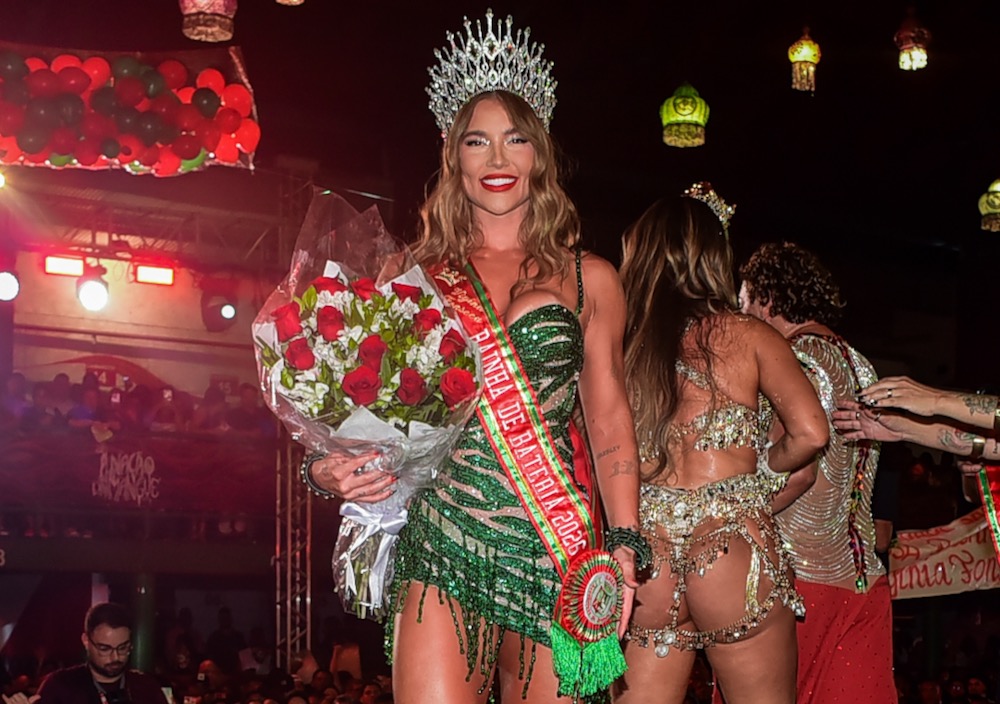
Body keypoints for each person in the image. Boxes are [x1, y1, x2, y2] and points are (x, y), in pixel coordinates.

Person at [300, 10, 641, 703]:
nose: (497, 160)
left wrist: (629, 541)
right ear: (453, 154)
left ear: (540, 153)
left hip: (555, 546)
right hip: (442, 537)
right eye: (477, 141)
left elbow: (608, 417)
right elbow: (354, 409)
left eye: (515, 139)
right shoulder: (410, 275)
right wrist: (324, 468)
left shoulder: (592, 279)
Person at [613, 190, 829, 704]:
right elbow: (811, 432)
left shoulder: (621, 344)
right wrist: (762, 475)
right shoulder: (750, 335)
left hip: (649, 554)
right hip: (730, 544)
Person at [738, 241, 896, 703]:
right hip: (864, 583)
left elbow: (798, 473)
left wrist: (724, 521)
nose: (739, 315)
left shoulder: (791, 360)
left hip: (798, 583)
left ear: (768, 298)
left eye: (744, 302)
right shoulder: (860, 362)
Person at [1, 602, 168, 704]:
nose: (115, 657)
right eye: (105, 649)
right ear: (86, 641)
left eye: (123, 648)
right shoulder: (59, 686)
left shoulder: (146, 688)